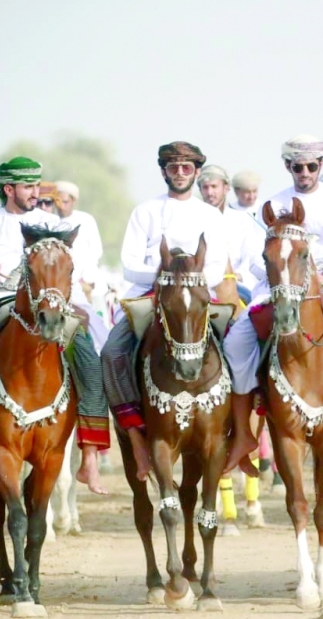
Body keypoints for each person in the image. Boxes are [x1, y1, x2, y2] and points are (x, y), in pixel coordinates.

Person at [0, 157, 110, 491]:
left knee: (88, 358)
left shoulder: (49, 223)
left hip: (46, 307)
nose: (35, 192)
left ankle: (90, 457)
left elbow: (69, 272)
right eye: (28, 187)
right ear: (9, 189)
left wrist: (75, 304)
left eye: (37, 185)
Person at [221, 134, 323, 473]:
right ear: (287, 166)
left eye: (310, 166)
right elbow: (251, 257)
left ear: (321, 165)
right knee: (234, 342)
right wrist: (281, 278)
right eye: (296, 166)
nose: (304, 172)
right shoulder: (273, 205)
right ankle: (244, 433)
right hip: (278, 290)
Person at [100, 142, 228, 481]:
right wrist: (166, 278)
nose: (181, 173)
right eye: (173, 167)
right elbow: (129, 265)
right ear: (163, 172)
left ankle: (236, 431)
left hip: (199, 299)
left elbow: (216, 266)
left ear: (197, 172)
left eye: (187, 167)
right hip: (148, 295)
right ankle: (133, 430)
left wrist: (190, 280)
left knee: (243, 347)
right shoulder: (145, 211)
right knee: (112, 351)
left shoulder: (210, 215)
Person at [198, 165, 263, 296]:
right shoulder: (194, 220)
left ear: (226, 188)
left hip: (237, 284)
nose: (210, 192)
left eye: (214, 186)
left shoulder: (241, 220)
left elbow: (250, 258)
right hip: (201, 285)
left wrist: (238, 275)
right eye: (205, 187)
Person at [55, 180, 107, 339]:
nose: (61, 206)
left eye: (66, 201)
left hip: (88, 283)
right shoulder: (51, 221)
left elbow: (96, 251)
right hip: (60, 285)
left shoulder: (86, 220)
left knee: (97, 325)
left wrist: (86, 280)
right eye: (58, 202)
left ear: (73, 201)